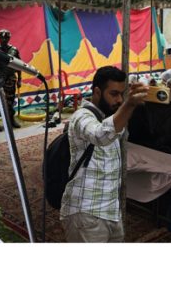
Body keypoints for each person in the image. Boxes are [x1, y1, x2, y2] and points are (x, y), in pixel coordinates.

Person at [60, 66, 148, 242]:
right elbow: (100, 135)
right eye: (114, 94)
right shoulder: (81, 116)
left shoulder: (112, 116)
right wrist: (128, 104)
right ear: (97, 92)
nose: (119, 100)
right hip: (86, 212)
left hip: (110, 211)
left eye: (122, 94)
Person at [0, 29, 22, 131]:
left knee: (10, 100)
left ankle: (11, 120)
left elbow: (19, 65)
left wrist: (20, 79)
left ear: (9, 38)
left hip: (11, 78)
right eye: (2, 37)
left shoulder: (14, 50)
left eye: (6, 37)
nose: (4, 39)